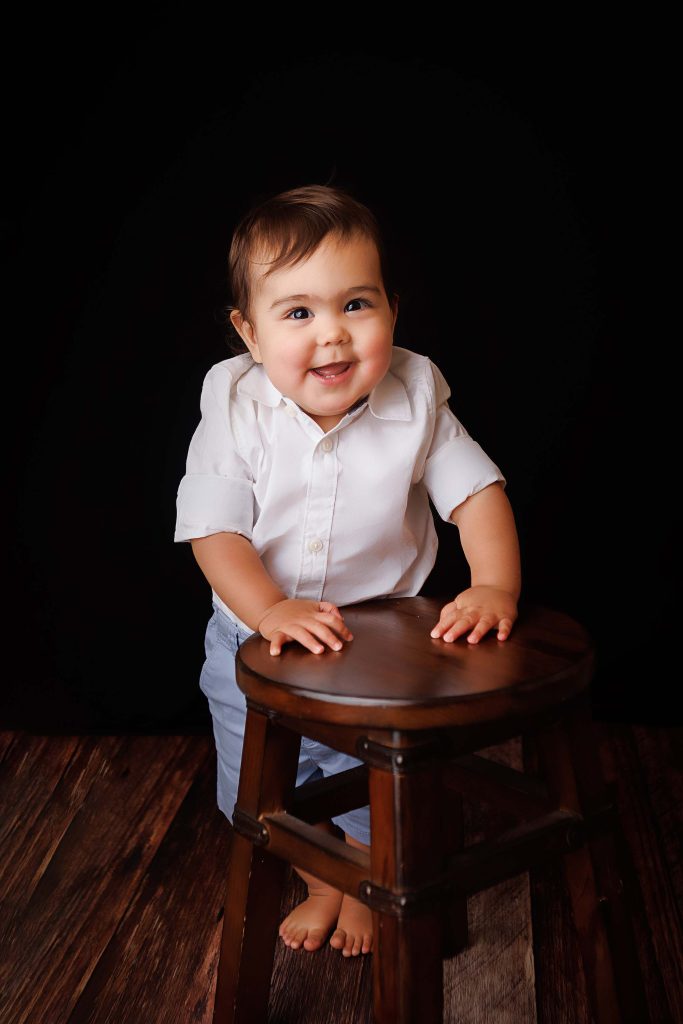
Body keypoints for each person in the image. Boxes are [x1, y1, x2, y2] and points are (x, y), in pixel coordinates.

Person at [174, 183, 522, 959]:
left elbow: (477, 495)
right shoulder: (232, 402)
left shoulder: (417, 390)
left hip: (379, 633)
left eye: (356, 305)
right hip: (252, 634)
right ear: (249, 333)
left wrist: (493, 584)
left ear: (391, 311)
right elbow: (214, 531)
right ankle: (318, 879)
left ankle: (365, 872)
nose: (331, 335)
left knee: (374, 772)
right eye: (297, 313)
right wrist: (269, 610)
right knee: (255, 782)